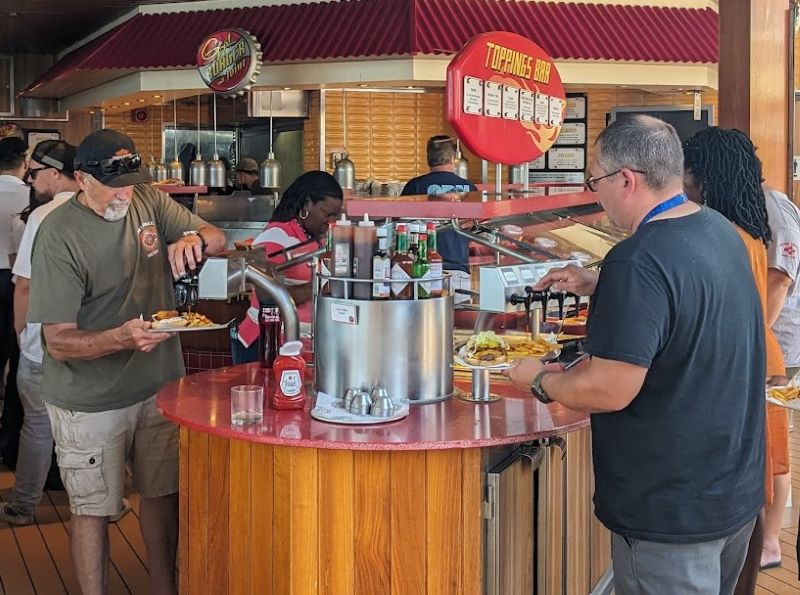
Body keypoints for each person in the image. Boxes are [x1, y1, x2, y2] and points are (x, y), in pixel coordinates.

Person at [506, 115, 765, 594]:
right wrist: (599, 283)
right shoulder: (716, 230)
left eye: (596, 180)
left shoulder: (638, 257)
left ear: (626, 179)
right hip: (734, 491)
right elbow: (689, 302)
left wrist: (536, 379)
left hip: (671, 510)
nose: (595, 194)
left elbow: (609, 388)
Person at [27, 129, 226, 595]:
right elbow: (57, 342)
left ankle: (164, 588)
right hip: (89, 398)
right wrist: (119, 337)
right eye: (113, 183)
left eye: (131, 181)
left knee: (163, 494)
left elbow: (217, 237)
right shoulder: (59, 235)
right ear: (80, 179)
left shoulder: (146, 200)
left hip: (159, 386)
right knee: (94, 508)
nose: (124, 192)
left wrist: (195, 238)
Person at [682, 127, 787, 594]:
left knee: (744, 489)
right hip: (761, 359)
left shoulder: (716, 233)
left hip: (743, 368)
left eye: (686, 170)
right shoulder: (748, 231)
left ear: (704, 178)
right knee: (755, 482)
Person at [0, 140, 82, 525]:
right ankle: (105, 502)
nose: (30, 180)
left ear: (53, 173)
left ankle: (23, 505)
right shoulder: (106, 210)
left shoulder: (43, 215)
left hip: (44, 340)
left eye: (34, 173)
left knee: (37, 424)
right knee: (91, 425)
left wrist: (20, 333)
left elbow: (25, 285)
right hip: (93, 339)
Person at [233, 170, 343, 362]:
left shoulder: (314, 237)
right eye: (327, 214)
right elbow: (268, 298)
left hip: (299, 346)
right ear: (307, 203)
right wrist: (320, 286)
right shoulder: (276, 237)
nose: (331, 222)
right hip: (268, 344)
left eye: (336, 215)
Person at [763, 186, 800, 569]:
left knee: (773, 446)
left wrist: (752, 334)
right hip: (769, 344)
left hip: (779, 347)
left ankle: (771, 542)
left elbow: (780, 279)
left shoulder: (772, 208)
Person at [401, 135, 475, 300]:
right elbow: (475, 228)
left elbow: (401, 226)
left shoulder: (415, 186)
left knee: (424, 322)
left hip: (422, 268)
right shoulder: (469, 188)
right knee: (457, 321)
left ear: (428, 158)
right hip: (458, 269)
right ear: (452, 158)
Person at [0, 137, 31, 469]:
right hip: (19, 283)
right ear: (23, 163)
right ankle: (10, 441)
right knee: (19, 360)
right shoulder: (29, 197)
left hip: (11, 279)